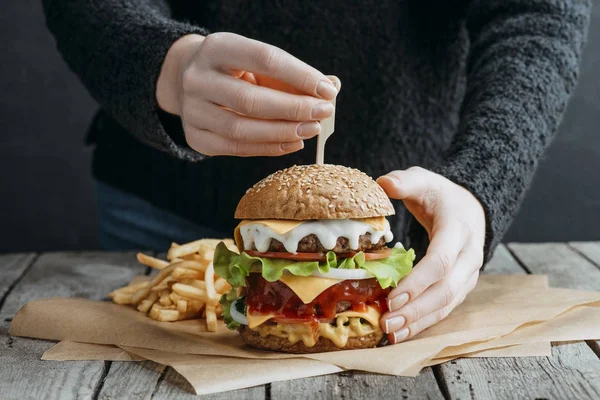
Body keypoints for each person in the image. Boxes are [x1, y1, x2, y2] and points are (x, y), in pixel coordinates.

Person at [42, 0, 591, 345]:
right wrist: (161, 61)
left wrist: (480, 183)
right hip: (153, 189)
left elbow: (537, 14)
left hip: (410, 212)